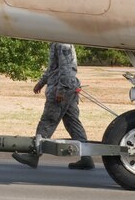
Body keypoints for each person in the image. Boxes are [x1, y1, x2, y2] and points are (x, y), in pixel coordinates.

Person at [12, 42, 94, 170]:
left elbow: (66, 69)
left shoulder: (62, 43)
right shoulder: (57, 41)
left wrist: (61, 90)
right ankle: (86, 158)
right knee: (73, 123)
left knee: (47, 121)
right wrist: (41, 82)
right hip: (68, 87)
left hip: (61, 88)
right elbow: (53, 68)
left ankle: (33, 156)